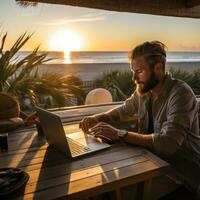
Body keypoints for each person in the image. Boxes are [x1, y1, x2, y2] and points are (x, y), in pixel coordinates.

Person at [80, 41, 200, 199]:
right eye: (133, 71)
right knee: (97, 184)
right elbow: (124, 109)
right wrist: (97, 118)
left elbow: (168, 143)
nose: (134, 78)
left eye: (139, 71)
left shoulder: (180, 94)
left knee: (109, 193)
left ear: (158, 69)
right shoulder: (144, 91)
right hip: (149, 161)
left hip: (178, 173)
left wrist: (121, 134)